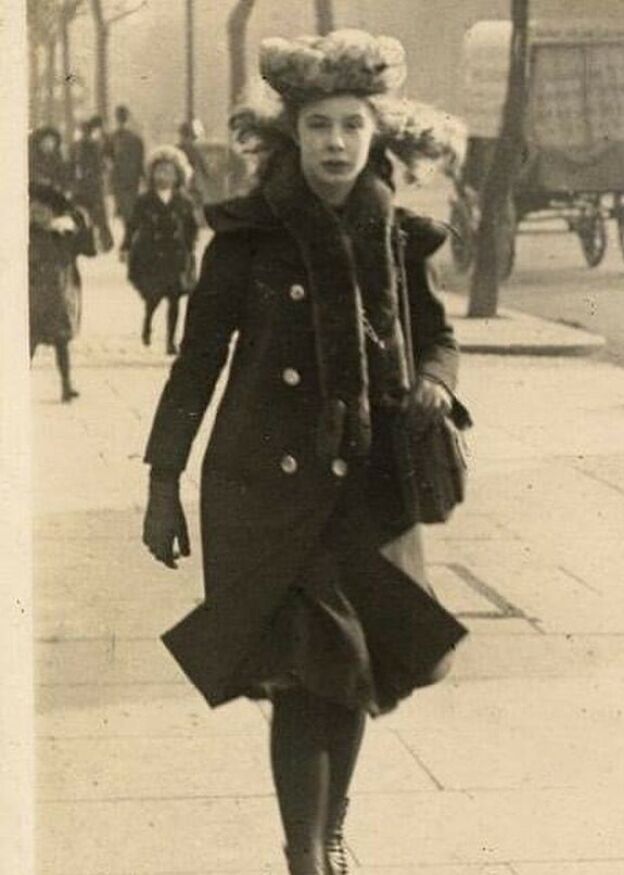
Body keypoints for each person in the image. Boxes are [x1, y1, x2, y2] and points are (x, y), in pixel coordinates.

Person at [141, 29, 469, 875]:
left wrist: (435, 380)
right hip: (266, 488)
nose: (334, 143)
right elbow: (197, 364)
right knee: (304, 667)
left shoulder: (399, 237)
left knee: (353, 669)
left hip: (370, 487)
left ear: (376, 135)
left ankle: (326, 831)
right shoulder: (247, 236)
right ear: (293, 136)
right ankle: (305, 855)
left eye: (351, 126)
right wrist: (163, 482)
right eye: (318, 125)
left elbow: (437, 336)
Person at [120, 145, 198, 355]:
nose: (163, 176)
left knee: (174, 298)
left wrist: (190, 249)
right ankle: (148, 322)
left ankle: (171, 341)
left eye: (169, 172)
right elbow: (132, 224)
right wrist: (126, 246)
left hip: (175, 256)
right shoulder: (144, 201)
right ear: (151, 174)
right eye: (159, 171)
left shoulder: (184, 202)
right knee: (153, 296)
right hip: (151, 255)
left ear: (178, 176)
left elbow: (192, 227)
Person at [29, 182, 96, 402]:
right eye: (33, 210)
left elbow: (91, 249)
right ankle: (17, 383)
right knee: (27, 343)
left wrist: (76, 221)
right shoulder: (27, 235)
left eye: (43, 211)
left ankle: (67, 384)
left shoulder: (64, 234)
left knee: (61, 344)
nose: (37, 214)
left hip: (60, 298)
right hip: (32, 300)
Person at [71, 115, 114, 252]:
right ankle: (99, 243)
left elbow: (98, 164)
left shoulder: (87, 145)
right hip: (88, 184)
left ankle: (103, 243)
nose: (84, 133)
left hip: (89, 184)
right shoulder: (87, 145)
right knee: (93, 215)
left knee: (94, 215)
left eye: (85, 131)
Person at [108, 104, 145, 226]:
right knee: (126, 208)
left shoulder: (132, 138)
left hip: (127, 178)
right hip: (124, 178)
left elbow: (140, 159)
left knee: (128, 208)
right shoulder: (114, 138)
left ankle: (129, 234)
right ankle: (129, 233)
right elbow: (107, 156)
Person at [28, 126, 71, 193]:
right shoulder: (32, 157)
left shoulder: (56, 159)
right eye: (46, 141)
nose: (49, 144)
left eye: (52, 141)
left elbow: (63, 177)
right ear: (39, 142)